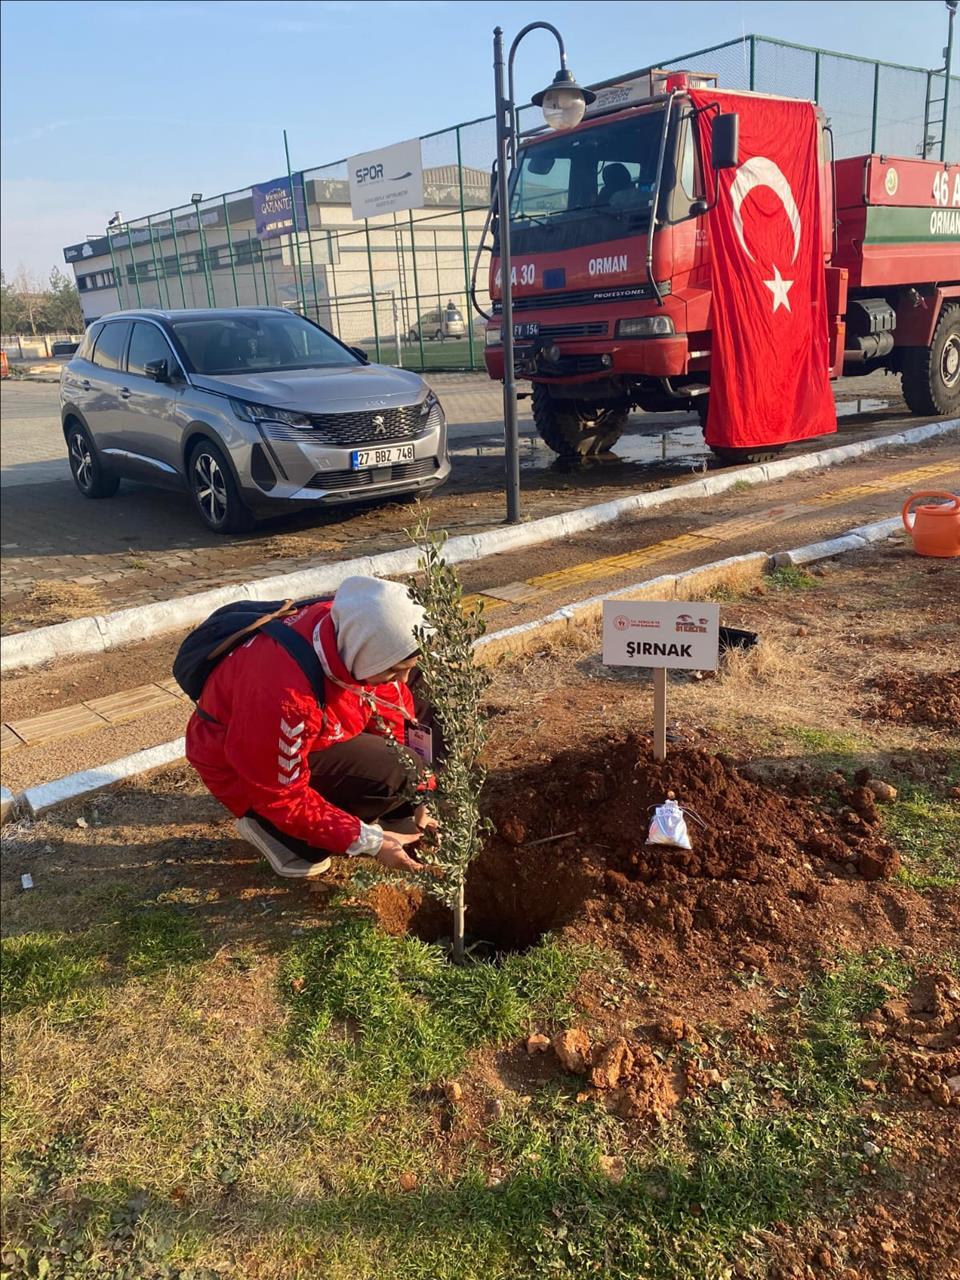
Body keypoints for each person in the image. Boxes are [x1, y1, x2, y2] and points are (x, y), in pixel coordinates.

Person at [185, 576, 437, 878]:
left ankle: (396, 808)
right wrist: (370, 842)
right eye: (395, 670)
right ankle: (265, 827)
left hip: (315, 726)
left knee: (416, 739)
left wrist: (421, 791)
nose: (403, 678)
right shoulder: (284, 698)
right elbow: (282, 797)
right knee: (318, 844)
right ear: (364, 653)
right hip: (248, 769)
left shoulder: (353, 629)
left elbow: (392, 703)